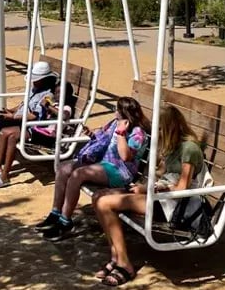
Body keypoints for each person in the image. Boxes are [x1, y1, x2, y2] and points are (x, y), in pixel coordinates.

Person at [90, 105, 210, 287]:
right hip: (162, 198)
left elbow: (182, 187)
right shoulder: (173, 147)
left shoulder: (189, 149)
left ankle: (125, 264)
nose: (158, 133)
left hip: (177, 206)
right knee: (98, 197)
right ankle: (116, 256)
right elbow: (162, 174)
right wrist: (144, 187)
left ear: (170, 127)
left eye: (161, 128)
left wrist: (152, 190)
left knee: (106, 203)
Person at [36, 96, 148, 242]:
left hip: (120, 171)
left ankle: (65, 221)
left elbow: (126, 157)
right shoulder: (114, 123)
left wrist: (121, 134)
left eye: (117, 110)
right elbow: (102, 137)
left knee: (78, 175)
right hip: (103, 163)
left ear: (124, 112)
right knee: (64, 168)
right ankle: (55, 213)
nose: (115, 113)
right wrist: (92, 135)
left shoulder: (137, 134)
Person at [0, 81, 77, 189]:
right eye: (56, 93)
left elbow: (63, 116)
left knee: (12, 137)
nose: (57, 95)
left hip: (48, 137)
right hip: (38, 130)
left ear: (67, 95)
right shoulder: (55, 103)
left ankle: (4, 175)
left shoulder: (67, 107)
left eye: (61, 93)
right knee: (5, 132)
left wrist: (49, 106)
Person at [0, 61, 56, 169]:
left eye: (36, 79)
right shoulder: (34, 89)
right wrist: (11, 110)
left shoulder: (47, 94)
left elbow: (34, 116)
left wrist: (13, 117)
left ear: (44, 79)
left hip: (26, 120)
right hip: (18, 115)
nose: (33, 82)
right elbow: (23, 104)